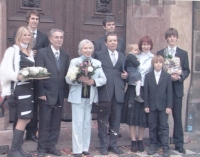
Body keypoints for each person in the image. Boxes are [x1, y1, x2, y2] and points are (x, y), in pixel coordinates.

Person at [12, 10, 49, 142]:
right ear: (28, 19)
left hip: (36, 77)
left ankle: (31, 133)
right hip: (22, 80)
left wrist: (36, 53)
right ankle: (18, 135)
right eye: (32, 18)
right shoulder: (19, 33)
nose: (35, 21)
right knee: (21, 108)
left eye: (37, 19)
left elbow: (46, 53)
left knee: (34, 106)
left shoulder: (43, 37)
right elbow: (15, 52)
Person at [66, 39, 107, 157]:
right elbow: (68, 79)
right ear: (80, 50)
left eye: (90, 48)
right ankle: (77, 149)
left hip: (90, 96)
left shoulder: (97, 63)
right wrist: (78, 80)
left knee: (87, 122)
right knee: (78, 122)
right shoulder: (75, 62)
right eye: (85, 48)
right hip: (77, 96)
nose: (88, 50)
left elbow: (103, 79)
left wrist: (93, 81)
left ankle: (85, 147)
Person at [0, 26, 34, 157]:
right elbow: (3, 70)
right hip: (19, 89)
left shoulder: (29, 51)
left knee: (26, 118)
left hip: (29, 88)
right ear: (18, 36)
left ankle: (18, 149)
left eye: (29, 35)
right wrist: (17, 76)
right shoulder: (12, 51)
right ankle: (14, 150)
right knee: (24, 117)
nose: (26, 37)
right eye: (24, 35)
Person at [35, 29, 69, 157]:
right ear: (50, 39)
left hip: (59, 95)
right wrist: (41, 92)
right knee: (44, 122)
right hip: (46, 94)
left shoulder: (65, 55)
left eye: (61, 37)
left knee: (56, 122)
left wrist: (66, 93)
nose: (59, 39)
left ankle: (52, 146)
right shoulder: (42, 53)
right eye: (56, 37)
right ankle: (42, 148)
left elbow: (65, 75)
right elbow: (39, 74)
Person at [157, 28, 190, 154]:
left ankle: (179, 143)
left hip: (177, 89)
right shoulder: (161, 53)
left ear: (176, 38)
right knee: (162, 118)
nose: (172, 39)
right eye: (169, 36)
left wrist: (180, 76)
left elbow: (186, 70)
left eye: (174, 36)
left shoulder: (183, 53)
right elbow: (158, 68)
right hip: (164, 89)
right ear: (166, 38)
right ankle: (161, 142)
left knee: (177, 117)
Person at [94, 32, 128, 155]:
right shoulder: (99, 55)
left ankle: (113, 145)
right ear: (106, 43)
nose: (113, 43)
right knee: (103, 121)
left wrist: (126, 76)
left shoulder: (123, 56)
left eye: (115, 41)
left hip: (118, 93)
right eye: (111, 41)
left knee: (116, 120)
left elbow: (127, 73)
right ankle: (103, 146)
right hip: (104, 91)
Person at [121, 36, 154, 152]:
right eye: (143, 44)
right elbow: (127, 70)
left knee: (142, 116)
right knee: (132, 115)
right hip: (132, 88)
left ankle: (141, 140)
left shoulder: (153, 58)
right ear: (140, 46)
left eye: (148, 44)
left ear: (151, 45)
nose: (146, 46)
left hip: (145, 88)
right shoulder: (134, 56)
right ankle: (133, 140)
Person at [144, 55, 173, 157]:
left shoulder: (167, 76)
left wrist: (169, 106)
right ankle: (153, 145)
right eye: (156, 62)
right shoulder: (148, 76)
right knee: (152, 126)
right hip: (151, 105)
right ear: (153, 64)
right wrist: (146, 105)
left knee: (164, 127)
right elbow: (146, 92)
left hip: (163, 106)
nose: (158, 64)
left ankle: (165, 147)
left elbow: (169, 92)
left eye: (160, 62)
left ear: (163, 63)